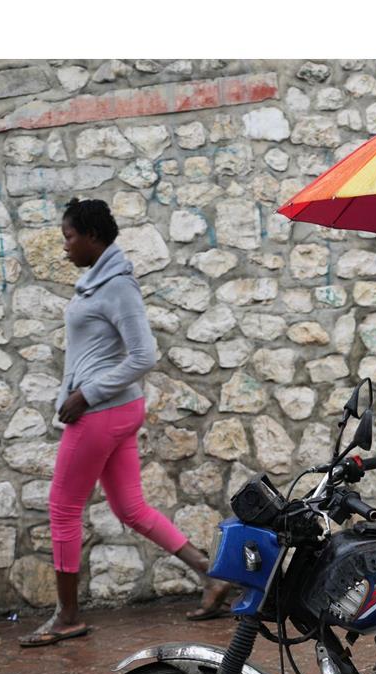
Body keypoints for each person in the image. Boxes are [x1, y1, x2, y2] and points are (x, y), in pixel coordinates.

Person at [20, 198, 230, 647]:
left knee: (62, 508)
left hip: (102, 412)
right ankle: (211, 575)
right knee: (130, 508)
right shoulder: (96, 283)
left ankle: (67, 617)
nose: (64, 247)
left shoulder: (117, 286)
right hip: (112, 410)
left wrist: (86, 395)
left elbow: (143, 355)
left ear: (92, 236)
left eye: (69, 237)